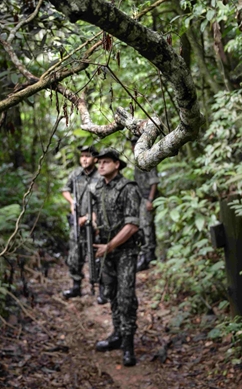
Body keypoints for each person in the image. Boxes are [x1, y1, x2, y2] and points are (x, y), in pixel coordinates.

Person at [92, 148, 141, 367]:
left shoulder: (128, 188)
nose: (101, 165)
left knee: (126, 296)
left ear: (117, 164)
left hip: (124, 250)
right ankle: (117, 334)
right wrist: (92, 223)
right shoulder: (99, 187)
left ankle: (128, 345)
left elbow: (132, 226)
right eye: (99, 162)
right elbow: (98, 213)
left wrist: (109, 246)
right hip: (105, 250)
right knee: (111, 292)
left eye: (105, 162)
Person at [61, 144, 106, 304]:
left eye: (87, 156)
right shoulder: (75, 174)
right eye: (82, 156)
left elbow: (104, 200)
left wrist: (89, 217)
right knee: (74, 255)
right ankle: (76, 287)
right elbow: (65, 190)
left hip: (95, 222)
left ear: (94, 158)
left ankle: (102, 289)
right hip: (77, 222)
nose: (84, 159)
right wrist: (72, 201)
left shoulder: (101, 176)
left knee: (97, 256)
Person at [131, 136, 160, 272]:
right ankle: (148, 255)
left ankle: (148, 255)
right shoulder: (137, 161)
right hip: (141, 198)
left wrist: (150, 199)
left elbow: (154, 182)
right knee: (144, 225)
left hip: (147, 198)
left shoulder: (148, 159)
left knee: (147, 226)